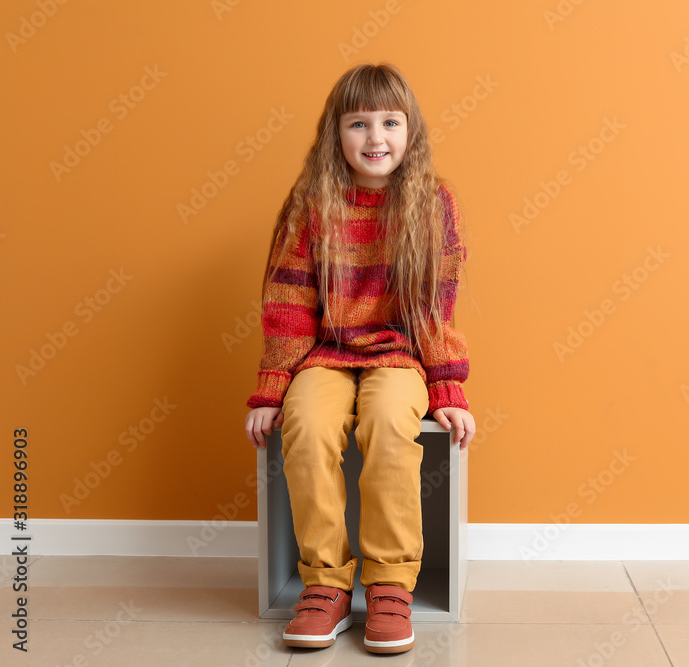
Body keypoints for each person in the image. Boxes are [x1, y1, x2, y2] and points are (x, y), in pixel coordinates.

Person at [243, 62, 475, 655]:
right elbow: (289, 301)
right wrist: (272, 389)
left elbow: (435, 311)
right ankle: (324, 584)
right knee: (309, 423)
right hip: (326, 353)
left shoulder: (432, 204)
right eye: (359, 124)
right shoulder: (311, 202)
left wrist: (447, 388)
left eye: (390, 122)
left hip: (400, 356)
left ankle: (391, 584)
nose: (376, 138)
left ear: (410, 131)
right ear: (335, 134)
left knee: (390, 424)